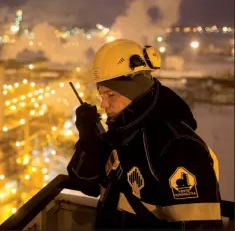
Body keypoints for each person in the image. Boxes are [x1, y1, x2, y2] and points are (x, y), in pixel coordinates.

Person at [67, 39, 223, 229]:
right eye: (101, 95)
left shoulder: (176, 144)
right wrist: (88, 139)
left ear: (135, 91)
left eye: (111, 95)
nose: (103, 105)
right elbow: (85, 183)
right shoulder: (121, 135)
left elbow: (201, 226)